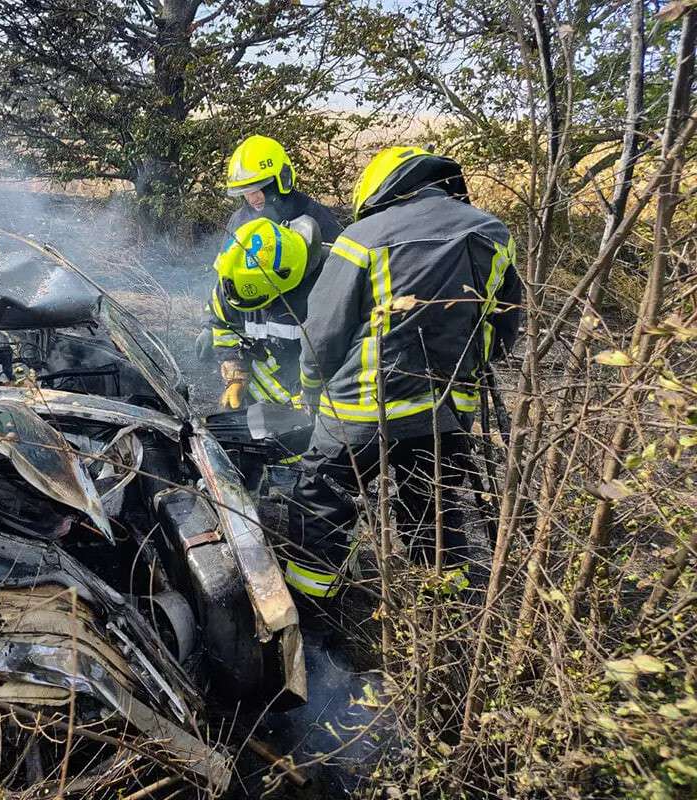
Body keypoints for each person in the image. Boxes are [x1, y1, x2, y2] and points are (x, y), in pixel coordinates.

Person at [283, 146, 522, 601]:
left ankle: (315, 609)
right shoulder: (494, 234)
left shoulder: (363, 237)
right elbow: (505, 327)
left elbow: (324, 333)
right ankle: (442, 613)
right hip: (447, 413)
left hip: (361, 411)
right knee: (432, 510)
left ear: (382, 189)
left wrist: (311, 391)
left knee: (321, 501)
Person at [206, 216, 322, 410]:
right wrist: (236, 375)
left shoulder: (324, 290)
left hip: (306, 412)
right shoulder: (233, 280)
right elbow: (223, 327)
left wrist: (308, 401)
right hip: (255, 405)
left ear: (279, 284)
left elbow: (331, 359)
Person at [224, 135, 343, 241]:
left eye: (257, 189)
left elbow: (338, 263)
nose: (252, 199)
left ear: (280, 180)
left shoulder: (314, 215)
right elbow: (224, 262)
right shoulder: (239, 220)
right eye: (245, 192)